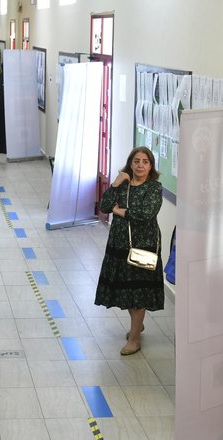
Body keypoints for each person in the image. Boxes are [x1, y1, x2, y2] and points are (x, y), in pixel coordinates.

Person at [94, 146, 164, 355]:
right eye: (136, 161)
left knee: (138, 293)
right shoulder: (123, 185)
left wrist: (120, 211)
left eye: (145, 161)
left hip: (144, 247)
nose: (140, 165)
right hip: (119, 245)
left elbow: (146, 213)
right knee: (125, 290)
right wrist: (115, 184)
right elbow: (105, 206)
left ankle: (134, 339)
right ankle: (137, 323)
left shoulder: (154, 188)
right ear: (130, 164)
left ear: (151, 166)